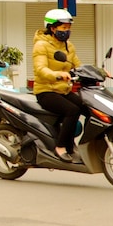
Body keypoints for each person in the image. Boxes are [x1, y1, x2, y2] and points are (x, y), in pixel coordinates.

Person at [33, 9, 84, 162]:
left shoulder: (68, 46)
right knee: (72, 110)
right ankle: (61, 146)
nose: (67, 31)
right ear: (52, 28)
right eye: (63, 28)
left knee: (85, 106)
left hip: (63, 90)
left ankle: (78, 143)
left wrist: (98, 72)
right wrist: (57, 74)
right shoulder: (41, 45)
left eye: (68, 28)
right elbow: (40, 69)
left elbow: (77, 65)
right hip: (46, 90)